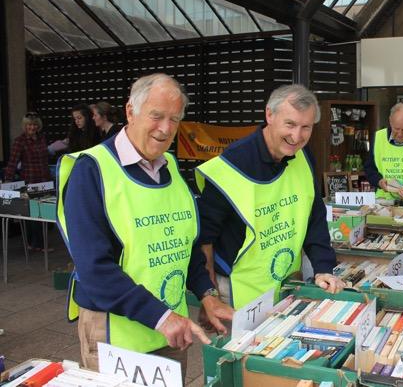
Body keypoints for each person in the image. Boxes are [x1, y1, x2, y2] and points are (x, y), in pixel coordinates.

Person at [57, 73, 233, 377]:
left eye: (174, 119)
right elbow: (94, 269)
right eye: (156, 116)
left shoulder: (172, 168)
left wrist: (207, 294)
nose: (165, 129)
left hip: (170, 329)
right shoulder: (92, 170)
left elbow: (185, 245)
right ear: (130, 111)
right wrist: (161, 317)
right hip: (118, 333)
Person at [195, 84, 345, 310]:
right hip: (235, 292)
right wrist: (210, 296)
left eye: (306, 127)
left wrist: (323, 267)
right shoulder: (232, 165)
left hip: (285, 284)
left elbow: (313, 216)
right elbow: (204, 239)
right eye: (290, 124)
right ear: (269, 115)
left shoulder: (303, 156)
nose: (297, 136)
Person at [4, 112, 51, 251]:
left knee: (44, 213)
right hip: (30, 180)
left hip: (44, 180)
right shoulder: (20, 141)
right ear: (25, 126)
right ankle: (35, 244)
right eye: (29, 124)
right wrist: (7, 180)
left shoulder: (42, 138)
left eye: (35, 124)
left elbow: (45, 157)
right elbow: (13, 162)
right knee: (34, 214)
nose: (32, 127)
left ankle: (38, 244)